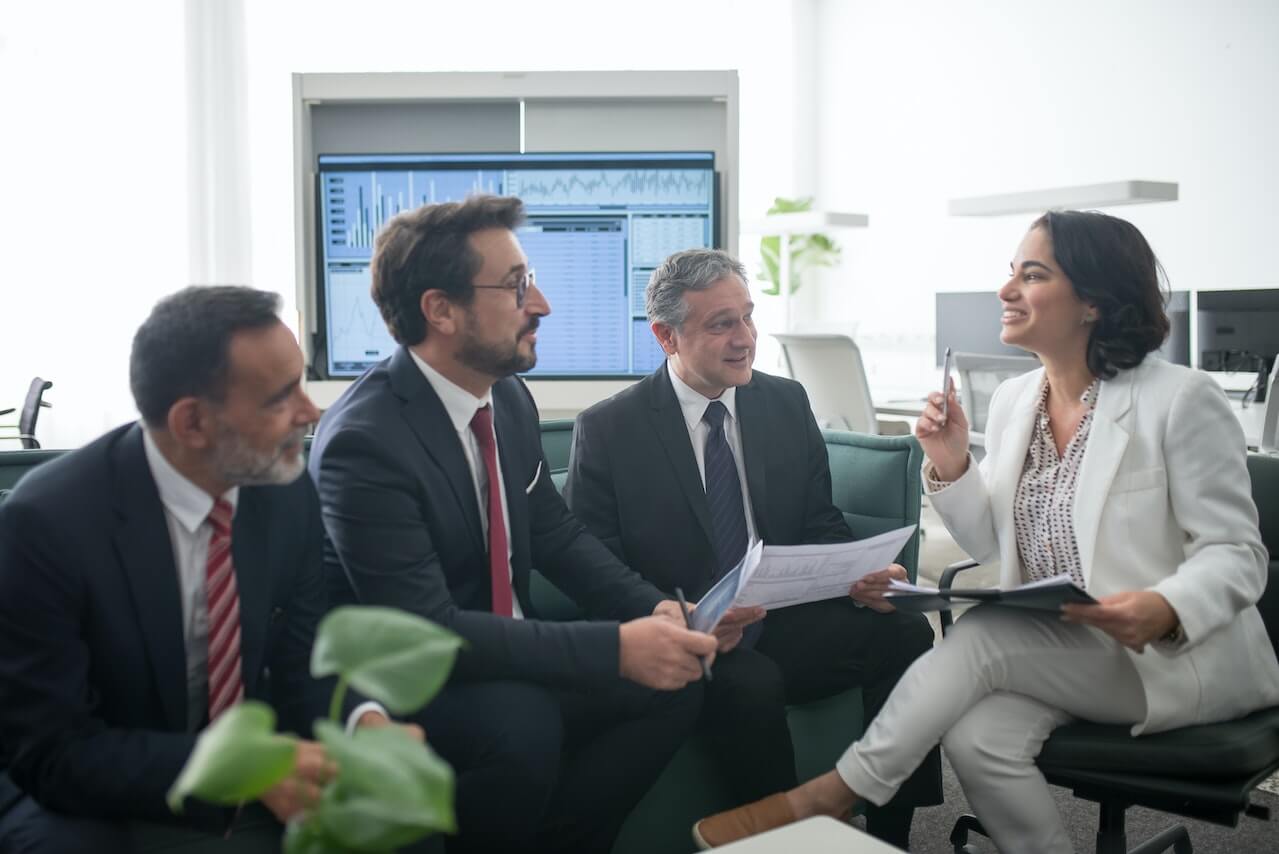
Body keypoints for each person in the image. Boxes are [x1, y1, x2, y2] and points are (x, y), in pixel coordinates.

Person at [691, 210, 1279, 852]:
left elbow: (1237, 555)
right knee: (977, 739)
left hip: (1165, 657)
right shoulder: (1015, 401)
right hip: (1061, 648)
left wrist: (1166, 606)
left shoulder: (1181, 400)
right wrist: (951, 463)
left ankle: (834, 792)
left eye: (1033, 275)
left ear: (1093, 302)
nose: (1005, 291)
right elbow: (995, 547)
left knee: (984, 636)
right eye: (1012, 273)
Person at [308, 194, 718, 854]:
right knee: (520, 722)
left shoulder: (505, 395)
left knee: (673, 679)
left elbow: (554, 534)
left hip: (506, 646)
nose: (542, 303)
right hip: (413, 674)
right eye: (516, 284)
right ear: (439, 310)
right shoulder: (366, 442)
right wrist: (614, 645)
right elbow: (426, 630)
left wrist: (661, 610)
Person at [563, 248, 941, 848]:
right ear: (667, 336)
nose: (745, 339)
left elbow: (820, 523)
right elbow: (594, 566)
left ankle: (893, 828)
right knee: (751, 682)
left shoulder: (784, 402)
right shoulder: (611, 429)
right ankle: (784, 841)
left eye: (748, 317)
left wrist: (863, 573)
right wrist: (679, 617)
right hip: (695, 635)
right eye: (721, 324)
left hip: (786, 617)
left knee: (905, 635)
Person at [0, 286, 395, 853]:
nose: (311, 414)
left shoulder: (285, 491)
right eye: (282, 398)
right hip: (88, 788)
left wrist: (365, 725)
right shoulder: (47, 524)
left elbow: (304, 660)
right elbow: (55, 753)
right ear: (192, 424)